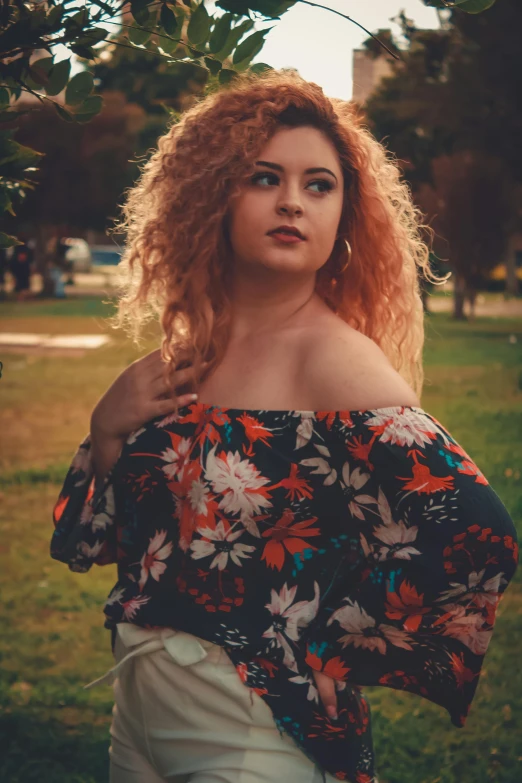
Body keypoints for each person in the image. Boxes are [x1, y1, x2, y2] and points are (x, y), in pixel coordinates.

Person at [50, 70, 518, 783]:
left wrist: (350, 643)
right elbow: (107, 544)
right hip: (137, 710)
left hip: (249, 728)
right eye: (264, 177)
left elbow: (474, 527)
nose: (293, 201)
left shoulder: (334, 359)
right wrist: (107, 432)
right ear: (213, 196)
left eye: (319, 184)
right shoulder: (187, 355)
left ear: (345, 214)